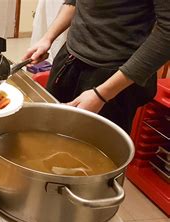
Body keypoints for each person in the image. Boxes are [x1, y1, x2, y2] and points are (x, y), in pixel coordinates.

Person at [23, 0, 170, 133]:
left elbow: (167, 32)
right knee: (47, 132)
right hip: (69, 61)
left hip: (113, 76)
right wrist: (47, 38)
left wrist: (102, 95)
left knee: (92, 151)